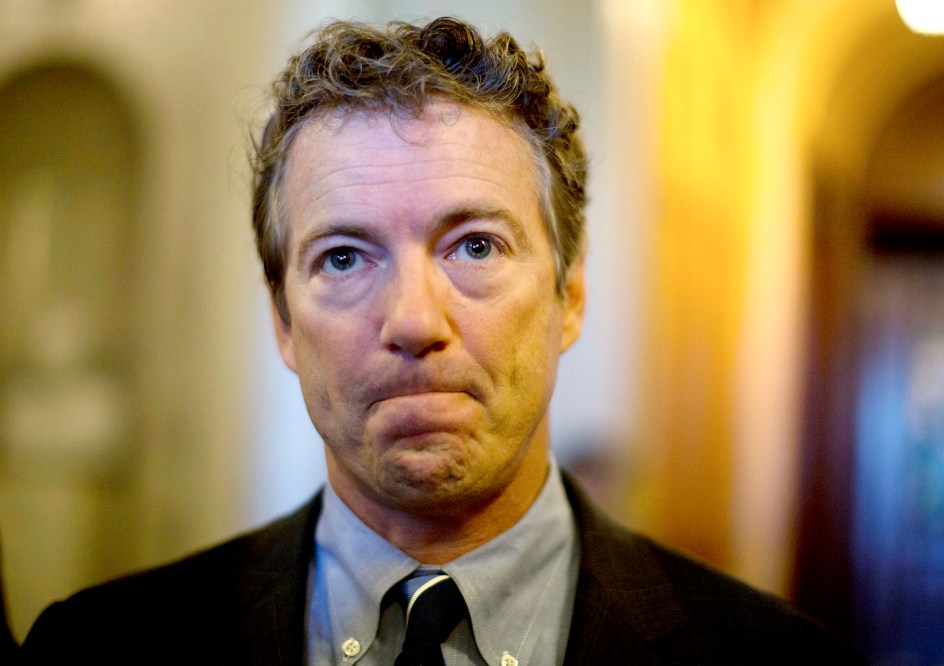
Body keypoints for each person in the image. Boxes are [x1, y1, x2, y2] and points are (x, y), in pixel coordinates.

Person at [20, 16, 867, 665]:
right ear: (284, 321)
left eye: (475, 246)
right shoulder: (96, 649)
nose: (415, 322)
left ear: (569, 297)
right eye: (344, 257)